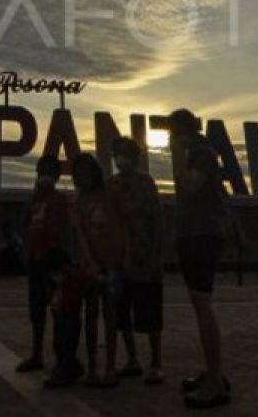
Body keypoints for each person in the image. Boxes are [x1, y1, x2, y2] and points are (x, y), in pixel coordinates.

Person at [168, 109, 232, 409]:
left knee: (202, 301)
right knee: (198, 300)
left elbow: (192, 185)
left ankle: (216, 383)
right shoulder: (192, 152)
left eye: (174, 130)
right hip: (192, 232)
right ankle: (211, 372)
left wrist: (178, 153)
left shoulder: (203, 153)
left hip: (203, 233)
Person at [109, 137, 166, 385]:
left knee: (151, 314)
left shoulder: (147, 183)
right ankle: (132, 359)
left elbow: (157, 220)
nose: (120, 159)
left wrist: (155, 254)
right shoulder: (110, 185)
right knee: (123, 313)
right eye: (116, 154)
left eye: (124, 154)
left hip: (145, 257)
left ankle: (156, 362)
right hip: (120, 259)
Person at [70, 153, 126, 388]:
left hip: (113, 263)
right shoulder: (79, 200)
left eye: (85, 171)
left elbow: (123, 223)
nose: (82, 177)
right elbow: (80, 233)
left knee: (111, 316)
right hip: (91, 265)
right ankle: (92, 367)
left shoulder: (110, 193)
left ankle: (110, 367)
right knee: (91, 315)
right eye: (78, 173)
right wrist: (89, 261)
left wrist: (125, 255)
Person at [16, 154, 71, 375]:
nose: (44, 176)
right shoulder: (35, 200)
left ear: (56, 176)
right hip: (35, 260)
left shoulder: (60, 199)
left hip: (54, 261)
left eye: (49, 173)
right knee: (36, 310)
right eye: (41, 172)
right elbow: (24, 223)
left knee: (58, 311)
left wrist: (66, 261)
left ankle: (61, 357)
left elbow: (66, 229)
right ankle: (36, 354)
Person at [41, 247, 91, 389]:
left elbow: (87, 281)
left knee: (67, 344)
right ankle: (70, 368)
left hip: (71, 317)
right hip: (60, 315)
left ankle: (64, 371)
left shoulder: (74, 276)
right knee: (59, 344)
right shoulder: (56, 283)